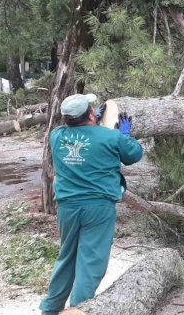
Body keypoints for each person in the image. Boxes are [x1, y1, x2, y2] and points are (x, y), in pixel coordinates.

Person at [40, 94, 143, 315]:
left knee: (66, 257)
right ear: (89, 114)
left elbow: (76, 131)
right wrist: (124, 135)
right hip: (98, 208)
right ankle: (80, 309)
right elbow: (134, 154)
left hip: (67, 207)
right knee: (91, 263)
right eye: (91, 109)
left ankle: (49, 310)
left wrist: (90, 120)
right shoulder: (111, 137)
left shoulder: (56, 136)